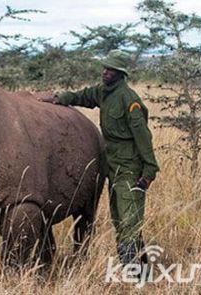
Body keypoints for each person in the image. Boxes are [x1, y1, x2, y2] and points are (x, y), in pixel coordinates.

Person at [39, 50, 159, 266]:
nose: (105, 72)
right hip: (111, 165)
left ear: (120, 73)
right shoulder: (104, 92)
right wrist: (58, 98)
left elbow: (144, 138)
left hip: (129, 168)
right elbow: (82, 96)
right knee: (120, 218)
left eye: (110, 69)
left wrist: (149, 171)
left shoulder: (129, 100)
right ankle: (140, 268)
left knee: (129, 220)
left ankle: (133, 271)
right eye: (105, 67)